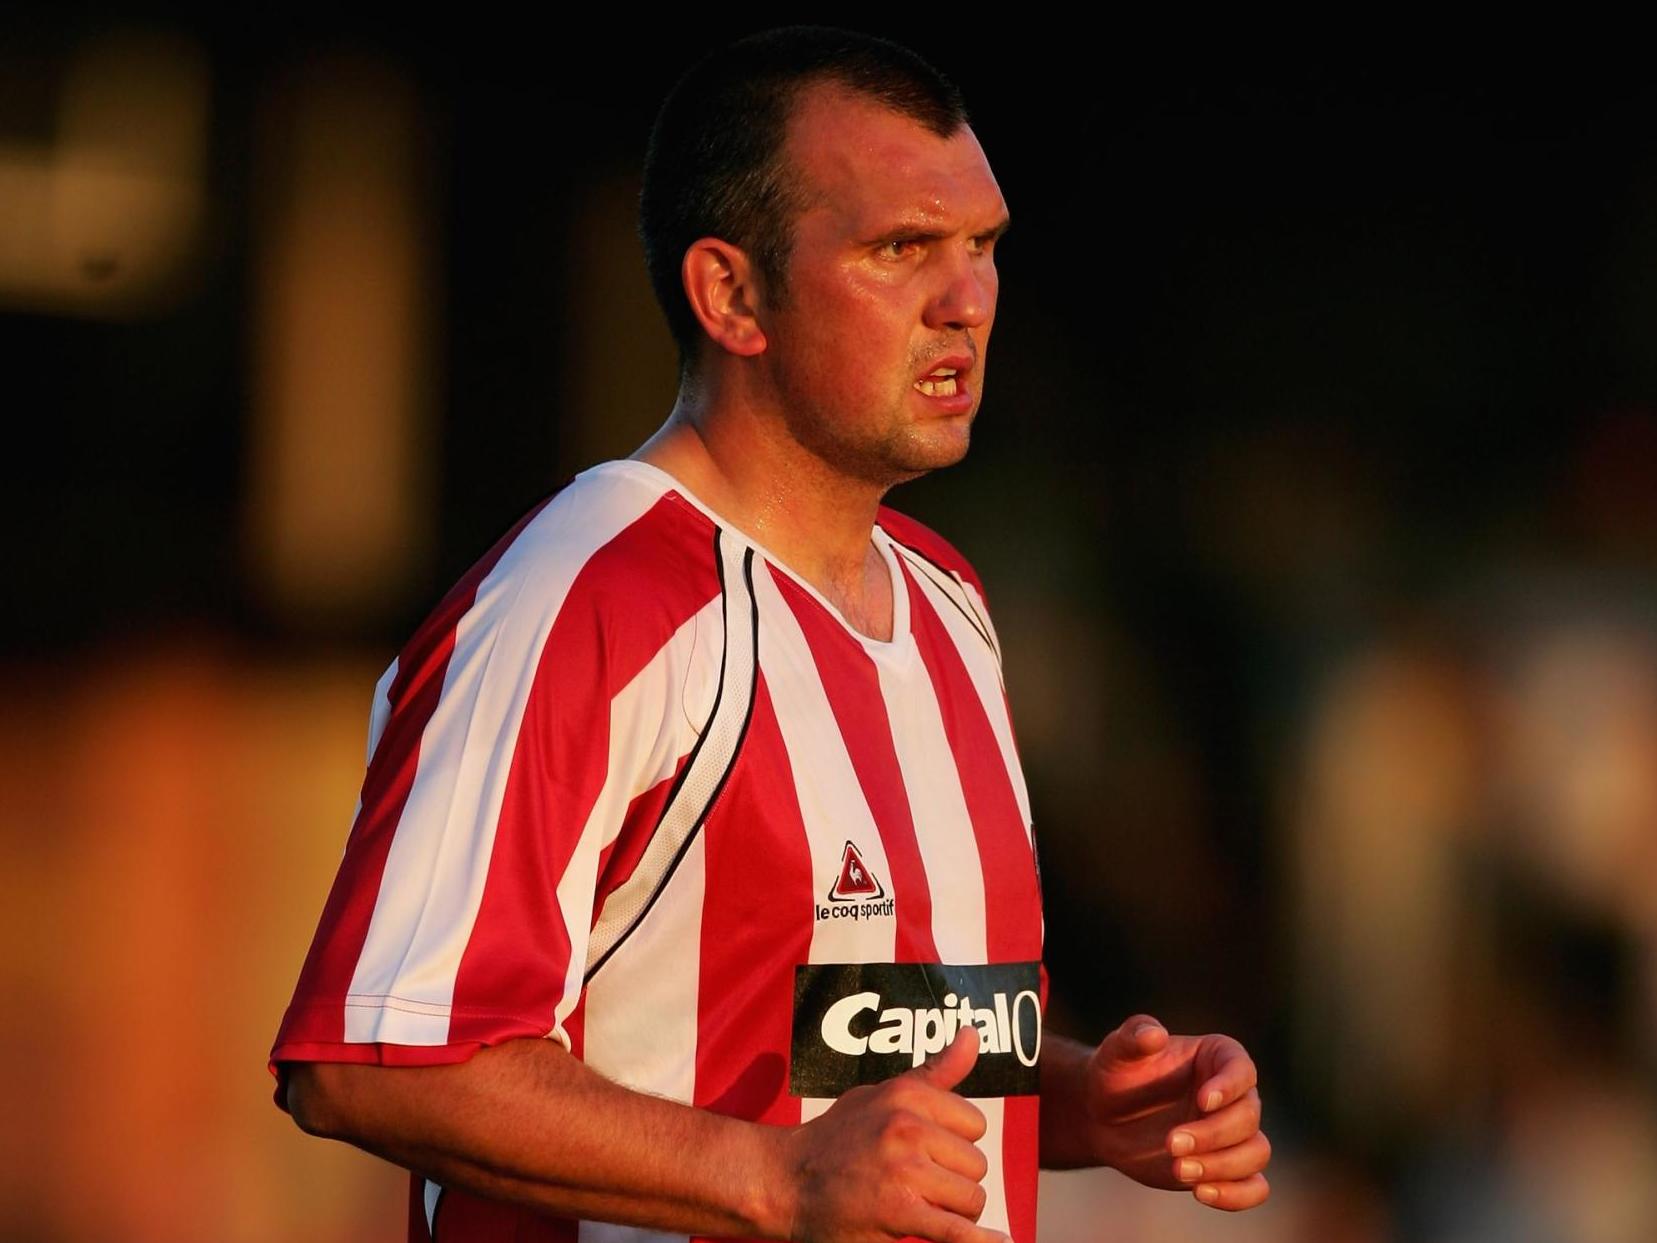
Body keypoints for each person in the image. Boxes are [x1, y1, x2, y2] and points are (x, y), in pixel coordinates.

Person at [271, 26, 1271, 1243]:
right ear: (730, 293)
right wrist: (773, 1179)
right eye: (900, 249)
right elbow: (374, 1055)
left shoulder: (948, 602)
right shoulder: (587, 598)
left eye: (982, 247)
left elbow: (863, 1056)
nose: (965, 302)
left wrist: (1086, 1105)